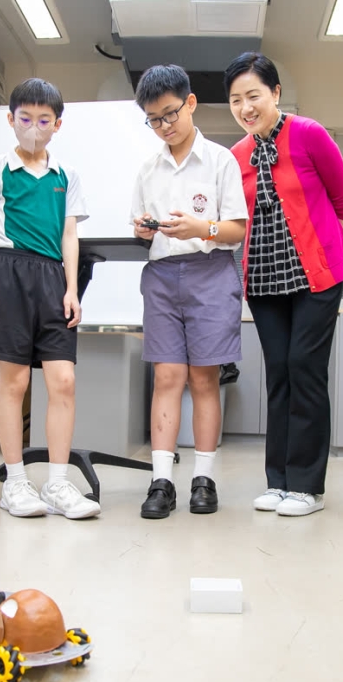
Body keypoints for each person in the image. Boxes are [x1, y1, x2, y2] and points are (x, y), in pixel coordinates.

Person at [225, 52, 343, 517]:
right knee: (279, 372)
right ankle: (278, 482)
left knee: (305, 367)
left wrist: (321, 251)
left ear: (276, 93)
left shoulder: (308, 134)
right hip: (264, 279)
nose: (245, 108)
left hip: (316, 276)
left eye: (253, 96)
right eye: (236, 100)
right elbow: (237, 221)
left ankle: (306, 487)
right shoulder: (236, 156)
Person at [0, 78, 100, 520]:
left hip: (52, 280)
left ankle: (58, 484)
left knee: (63, 381)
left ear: (57, 125)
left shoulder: (67, 175)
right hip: (8, 274)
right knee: (15, 383)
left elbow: (69, 235)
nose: (34, 128)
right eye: (25, 119)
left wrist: (71, 288)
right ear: (11, 119)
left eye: (44, 121)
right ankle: (15, 482)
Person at [130, 65, 249, 519]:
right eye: (154, 120)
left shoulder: (220, 161)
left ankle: (204, 479)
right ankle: (161, 481)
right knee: (167, 377)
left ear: (191, 103)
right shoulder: (147, 169)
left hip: (210, 272)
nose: (164, 125)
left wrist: (202, 228)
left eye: (170, 114)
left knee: (204, 378)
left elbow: (236, 230)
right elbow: (139, 227)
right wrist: (143, 230)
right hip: (162, 276)